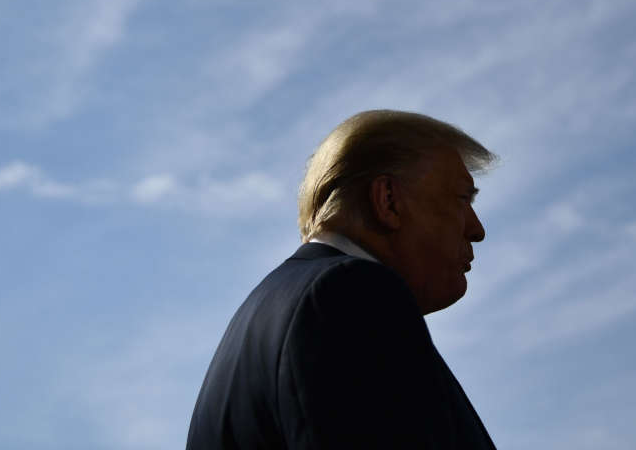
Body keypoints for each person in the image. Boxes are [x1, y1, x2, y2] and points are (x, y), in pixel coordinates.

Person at [186, 109, 498, 449]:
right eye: (462, 199)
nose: (477, 229)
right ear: (388, 201)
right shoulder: (351, 296)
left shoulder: (275, 307)